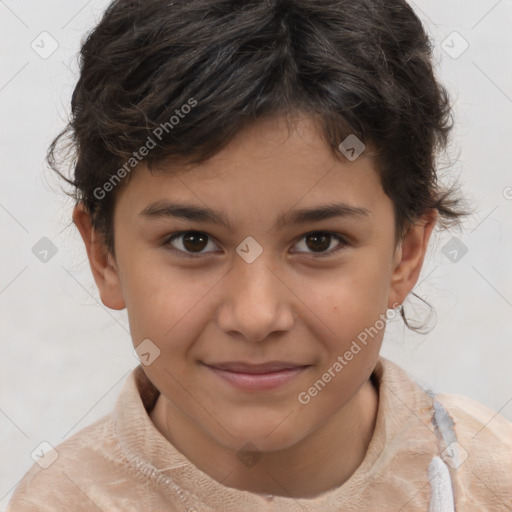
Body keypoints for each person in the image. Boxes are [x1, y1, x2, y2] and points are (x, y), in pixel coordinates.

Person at [8, 0, 512, 510]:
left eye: (319, 241)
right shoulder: (61, 501)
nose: (255, 317)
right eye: (193, 241)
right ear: (104, 255)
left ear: (406, 253)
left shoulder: (487, 480)